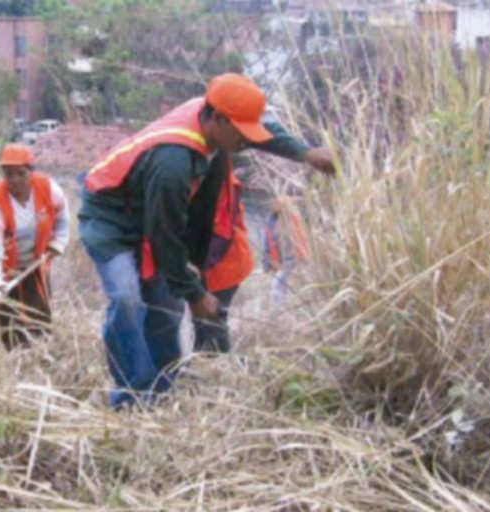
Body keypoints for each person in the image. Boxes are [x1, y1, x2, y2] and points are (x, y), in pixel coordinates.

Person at [80, 73, 321, 408]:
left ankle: (162, 390)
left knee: (166, 306)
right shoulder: (173, 163)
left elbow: (262, 131)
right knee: (127, 299)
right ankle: (131, 395)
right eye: (241, 134)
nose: (246, 143)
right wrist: (194, 292)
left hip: (152, 215)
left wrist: (306, 154)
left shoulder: (211, 118)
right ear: (219, 120)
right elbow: (165, 235)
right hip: (112, 221)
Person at [194, 109, 334, 353]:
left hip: (225, 262)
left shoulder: (285, 217)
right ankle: (210, 360)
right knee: (208, 321)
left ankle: (213, 362)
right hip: (217, 261)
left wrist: (305, 153)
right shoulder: (203, 158)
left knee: (212, 322)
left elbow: (291, 243)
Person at [0, 143, 70, 350]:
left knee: (39, 323)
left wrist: (57, 243)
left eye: (21, 173)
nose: (15, 180)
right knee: (2, 327)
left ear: (31, 171)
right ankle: (7, 363)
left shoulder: (48, 189)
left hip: (35, 265)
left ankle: (38, 357)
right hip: (3, 270)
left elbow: (63, 220)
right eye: (9, 174)